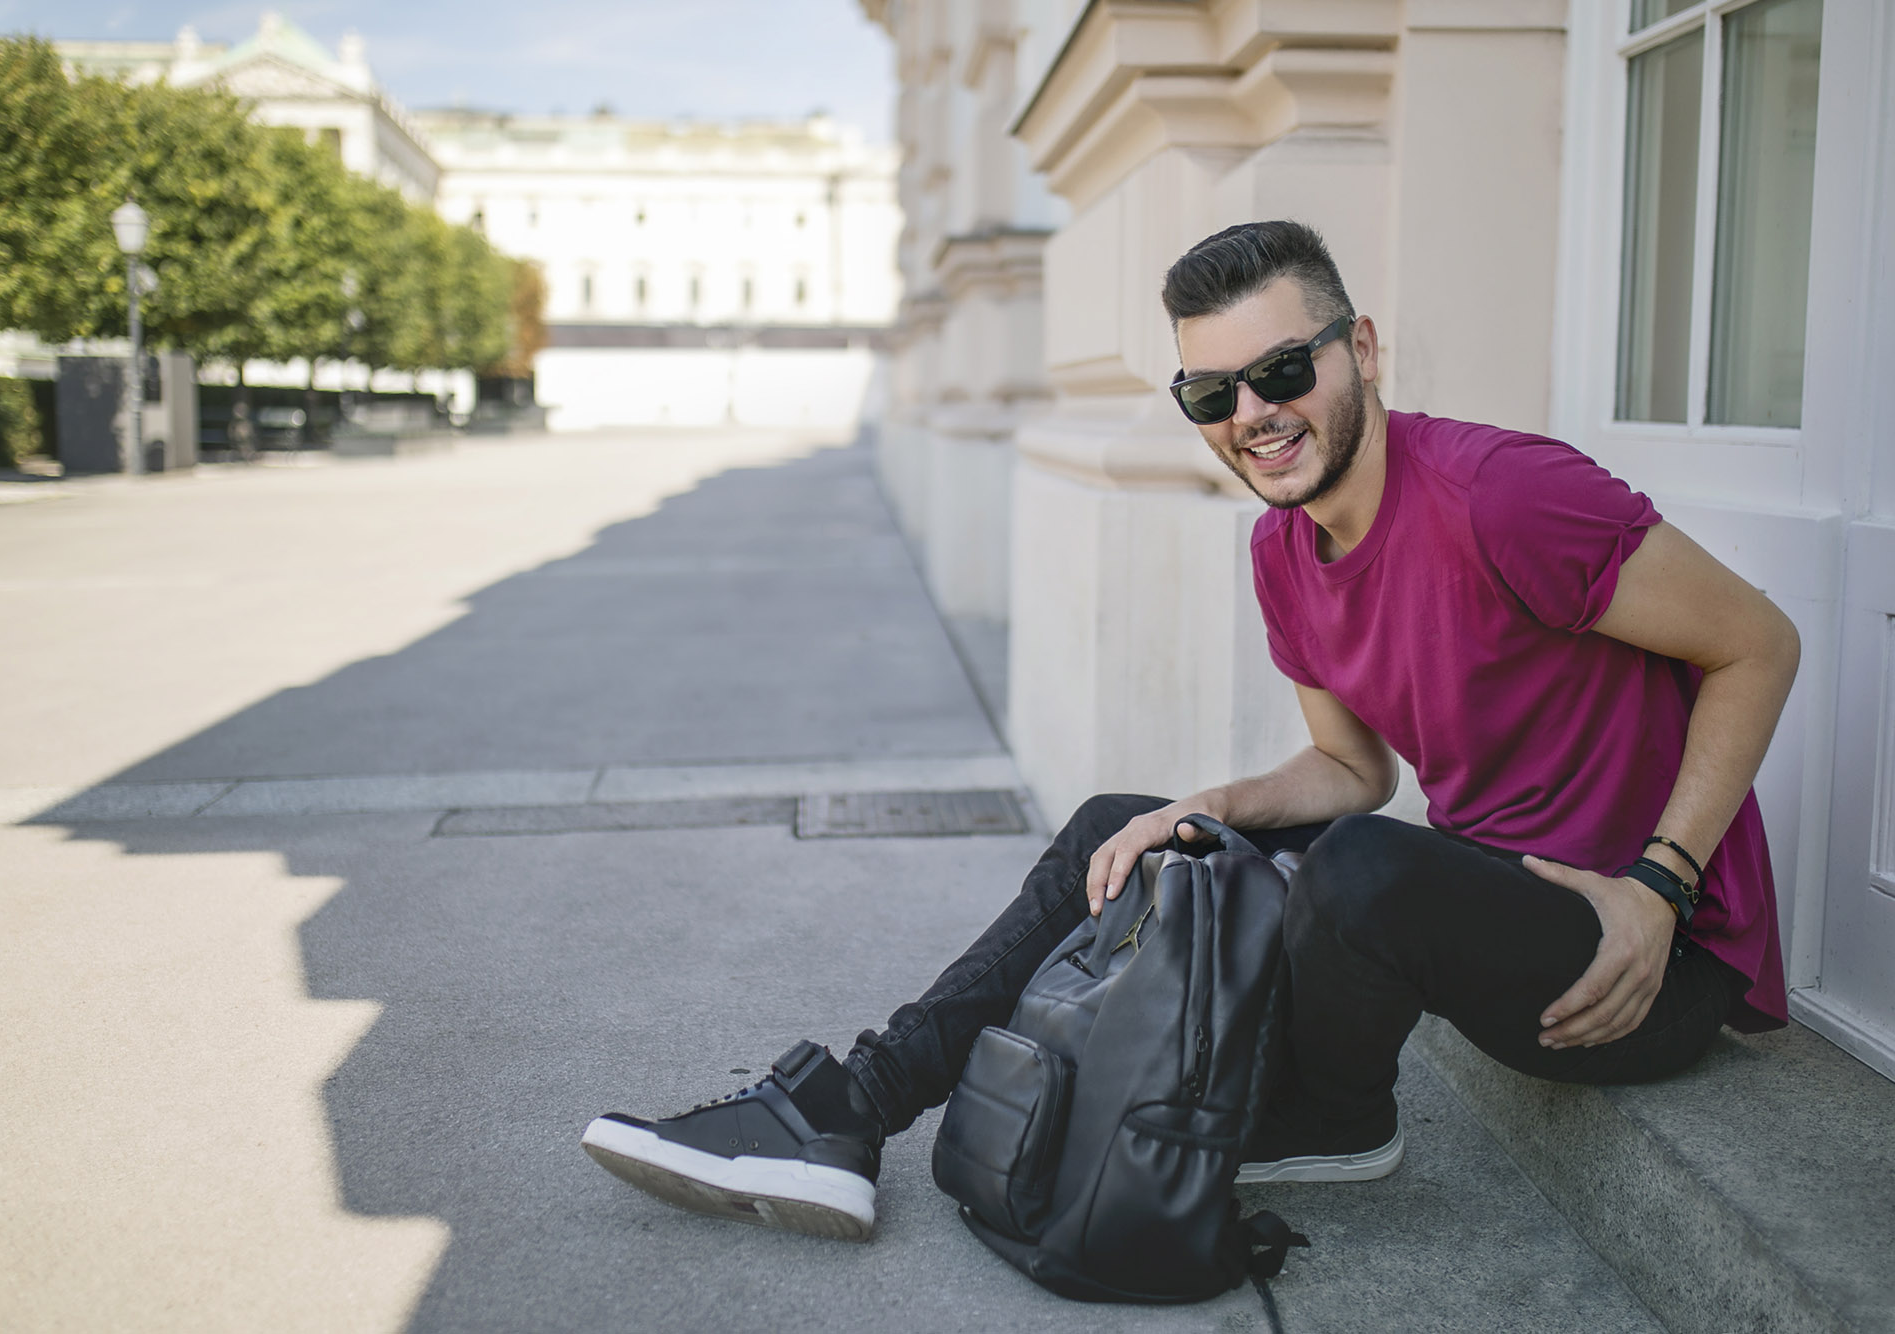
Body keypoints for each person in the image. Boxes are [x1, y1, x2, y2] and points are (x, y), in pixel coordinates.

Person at [580, 220, 1799, 1242]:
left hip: (1641, 962)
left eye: (1280, 372)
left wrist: (1657, 884)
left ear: (1358, 348)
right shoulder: (1282, 546)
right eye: (1209, 393)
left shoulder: (1504, 496)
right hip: (1485, 905)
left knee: (1364, 865)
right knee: (1124, 821)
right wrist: (1190, 811)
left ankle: (1329, 1117)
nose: (1251, 415)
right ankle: (852, 1106)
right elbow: (1351, 768)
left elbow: (1757, 641)